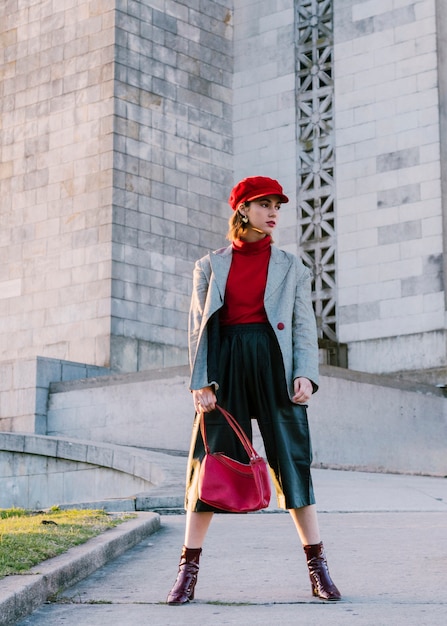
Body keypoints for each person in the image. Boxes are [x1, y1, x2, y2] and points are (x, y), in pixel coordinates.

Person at [166, 176, 341, 605]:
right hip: (225, 366)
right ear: (243, 210)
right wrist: (200, 382)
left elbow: (304, 325)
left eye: (277, 206)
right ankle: (187, 572)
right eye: (264, 205)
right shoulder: (210, 265)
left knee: (293, 460)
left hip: (275, 366)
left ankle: (318, 569)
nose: (274, 212)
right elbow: (197, 329)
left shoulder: (291, 265)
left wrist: (305, 373)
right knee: (209, 463)